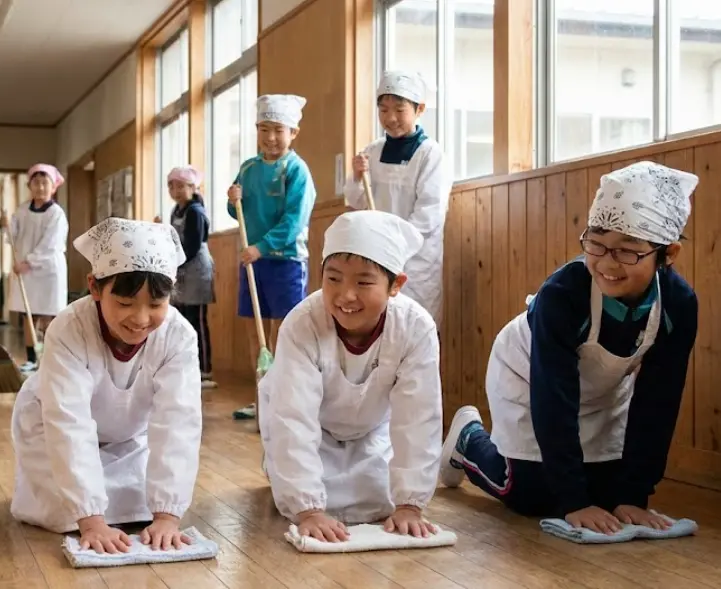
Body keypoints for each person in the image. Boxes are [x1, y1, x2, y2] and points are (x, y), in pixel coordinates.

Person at [440, 162, 699, 535]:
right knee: (532, 493)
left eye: (628, 251)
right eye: (597, 243)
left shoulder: (678, 304)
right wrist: (573, 501)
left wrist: (635, 495)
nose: (607, 263)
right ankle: (469, 441)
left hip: (601, 391)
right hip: (529, 377)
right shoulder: (564, 295)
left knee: (610, 495)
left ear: (667, 253)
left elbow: (658, 401)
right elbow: (553, 397)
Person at [9, 218, 203, 553]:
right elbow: (68, 422)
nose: (141, 319)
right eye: (126, 304)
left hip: (127, 436)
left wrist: (168, 514)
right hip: (49, 430)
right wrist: (92, 521)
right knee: (63, 513)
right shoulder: (69, 328)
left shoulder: (178, 336)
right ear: (95, 288)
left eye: (156, 305)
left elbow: (178, 422)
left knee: (143, 506)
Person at [260, 210, 443, 541]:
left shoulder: (415, 328)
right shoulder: (302, 323)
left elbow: (418, 416)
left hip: (372, 431)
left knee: (380, 498)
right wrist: (308, 509)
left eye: (363, 282)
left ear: (396, 285)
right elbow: (293, 418)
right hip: (315, 430)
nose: (345, 295)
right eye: (333, 279)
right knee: (300, 493)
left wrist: (410, 504)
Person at [227, 93, 317, 419]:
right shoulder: (248, 168)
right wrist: (231, 198)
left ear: (293, 132)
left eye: (278, 130)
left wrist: (260, 247)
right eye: (264, 129)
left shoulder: (296, 170)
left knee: (284, 334)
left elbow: (294, 222)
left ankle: (284, 403)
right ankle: (261, 397)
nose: (271, 138)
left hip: (286, 261)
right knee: (256, 333)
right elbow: (238, 211)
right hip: (254, 261)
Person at [345, 71, 449, 326]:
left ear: (419, 109)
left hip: (415, 262)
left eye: (399, 110)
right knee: (379, 326)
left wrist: (393, 245)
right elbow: (356, 203)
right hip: (377, 257)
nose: (390, 118)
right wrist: (357, 177)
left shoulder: (430, 154)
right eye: (383, 110)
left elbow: (429, 214)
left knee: (416, 326)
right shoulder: (372, 151)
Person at [0, 163, 69, 374]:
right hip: (25, 272)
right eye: (36, 183)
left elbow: (51, 244)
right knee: (28, 315)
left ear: (53, 187)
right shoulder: (22, 210)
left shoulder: (56, 214)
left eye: (44, 183)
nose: (40, 187)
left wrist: (28, 262)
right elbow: (13, 236)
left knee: (48, 316)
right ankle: (30, 358)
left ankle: (49, 358)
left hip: (47, 272)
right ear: (30, 185)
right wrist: (5, 225)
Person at [166, 165, 217, 389]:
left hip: (196, 269)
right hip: (181, 267)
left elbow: (193, 245)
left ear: (192, 187)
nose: (175, 191)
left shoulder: (196, 211)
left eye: (180, 186)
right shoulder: (176, 211)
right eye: (171, 186)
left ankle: (204, 370)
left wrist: (175, 261)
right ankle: (187, 364)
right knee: (183, 318)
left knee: (197, 319)